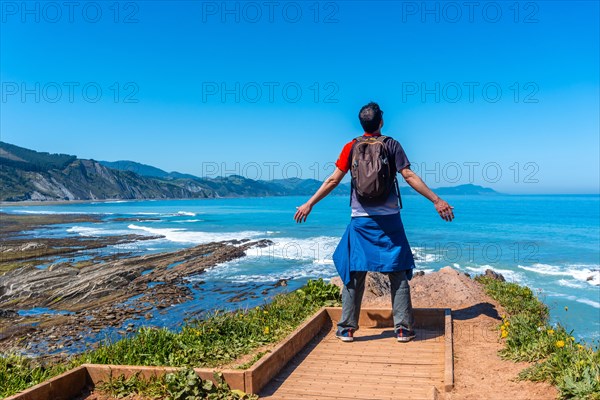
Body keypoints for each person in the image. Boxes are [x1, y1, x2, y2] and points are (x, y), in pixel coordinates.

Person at [293, 102, 454, 343]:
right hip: (390, 220)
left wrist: (310, 203)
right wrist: (436, 200)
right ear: (381, 122)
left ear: (362, 123)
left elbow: (333, 180)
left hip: (360, 221)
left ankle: (347, 328)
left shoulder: (351, 146)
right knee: (397, 272)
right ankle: (402, 329)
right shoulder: (391, 144)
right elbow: (408, 175)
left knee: (354, 272)